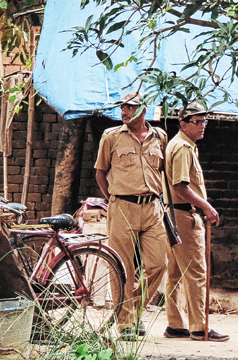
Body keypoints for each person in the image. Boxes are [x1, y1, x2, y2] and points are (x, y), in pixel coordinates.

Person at [95, 91, 168, 341]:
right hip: (122, 207)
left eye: (130, 107)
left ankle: (134, 310)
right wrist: (113, 199)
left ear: (143, 110)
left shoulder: (160, 137)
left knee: (159, 264)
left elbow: (163, 173)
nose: (124, 112)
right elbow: (100, 173)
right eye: (123, 107)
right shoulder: (111, 137)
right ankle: (125, 323)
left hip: (152, 209)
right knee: (123, 267)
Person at [163, 105, 229, 342]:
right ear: (183, 124)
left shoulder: (181, 145)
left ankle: (175, 324)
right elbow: (181, 186)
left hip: (172, 214)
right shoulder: (182, 147)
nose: (202, 126)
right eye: (197, 122)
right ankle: (199, 327)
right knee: (196, 272)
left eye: (204, 122)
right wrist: (206, 206)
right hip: (182, 214)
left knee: (175, 271)